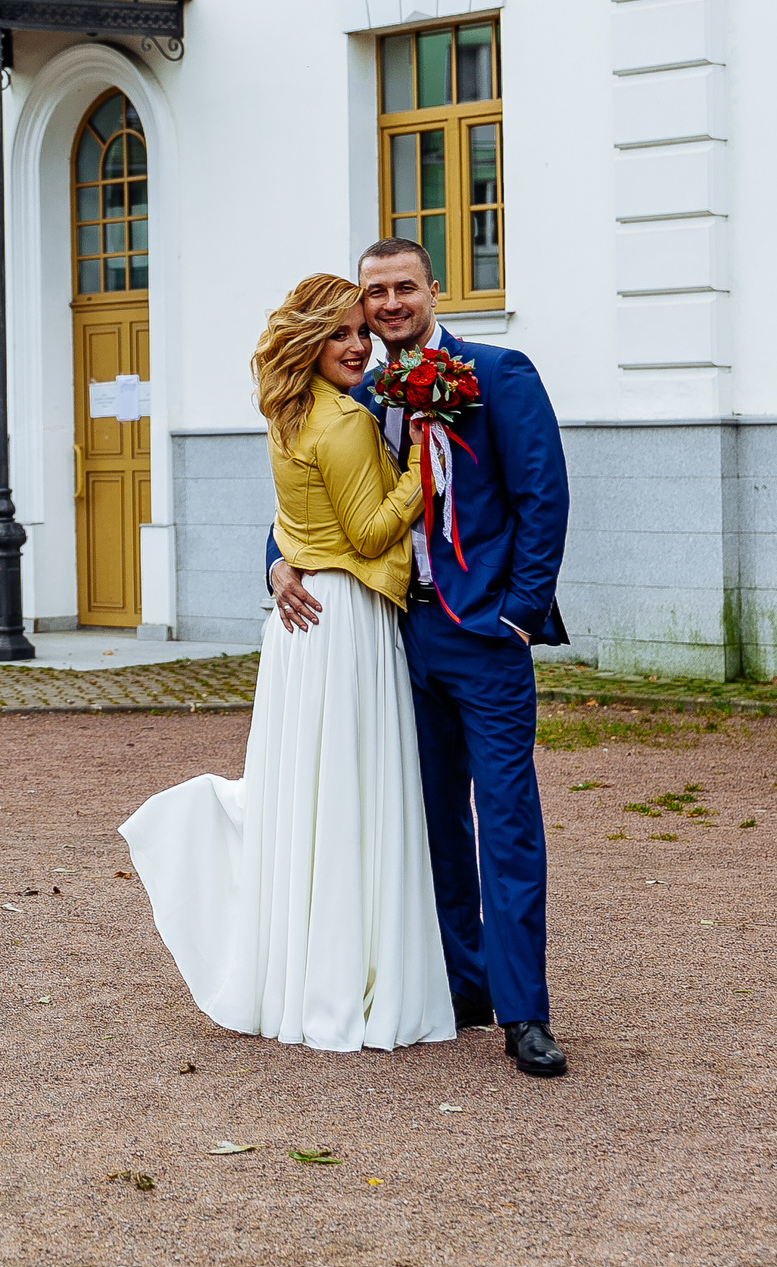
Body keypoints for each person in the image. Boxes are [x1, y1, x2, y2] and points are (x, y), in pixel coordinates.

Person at [118, 273, 455, 1052]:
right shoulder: (339, 422)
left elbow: (295, 518)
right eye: (340, 333)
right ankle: (346, 976)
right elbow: (372, 532)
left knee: (314, 790)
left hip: (306, 630)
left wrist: (286, 562)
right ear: (308, 341)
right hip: (345, 623)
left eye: (360, 333)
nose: (358, 345)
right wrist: (421, 473)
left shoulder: (286, 412)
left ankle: (300, 969)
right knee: (350, 791)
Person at [266, 239, 571, 1078]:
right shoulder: (356, 391)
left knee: (506, 818)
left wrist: (518, 614)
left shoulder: (499, 374)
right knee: (428, 818)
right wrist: (276, 558)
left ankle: (523, 1011)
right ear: (362, 307)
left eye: (405, 286)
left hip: (481, 634)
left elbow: (543, 498)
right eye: (376, 292)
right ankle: (463, 981)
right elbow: (305, 494)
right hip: (395, 633)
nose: (390, 303)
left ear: (434, 288)